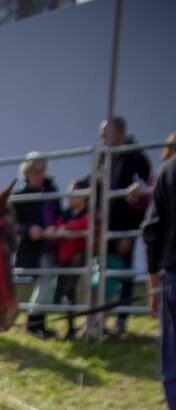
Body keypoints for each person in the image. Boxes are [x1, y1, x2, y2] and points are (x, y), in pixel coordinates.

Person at [98, 116, 152, 336]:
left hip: (125, 228)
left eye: (105, 134)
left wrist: (131, 233)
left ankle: (122, 318)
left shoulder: (137, 158)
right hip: (105, 227)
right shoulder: (105, 158)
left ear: (118, 133)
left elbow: (144, 194)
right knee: (102, 273)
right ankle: (100, 318)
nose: (102, 139)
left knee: (125, 274)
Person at [142, 150, 176, 410]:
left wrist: (154, 283)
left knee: (172, 364)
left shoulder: (167, 171)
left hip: (172, 277)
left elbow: (152, 230)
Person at [13, 153, 62, 339]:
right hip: (33, 250)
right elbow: (13, 225)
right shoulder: (19, 197)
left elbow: (59, 214)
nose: (40, 174)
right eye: (36, 171)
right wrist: (28, 229)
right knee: (44, 284)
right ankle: (33, 324)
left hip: (52, 246)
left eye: (43, 170)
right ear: (27, 172)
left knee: (47, 286)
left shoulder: (51, 192)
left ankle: (39, 324)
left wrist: (56, 227)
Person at [49, 177, 92, 340]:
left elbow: (83, 225)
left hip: (79, 261)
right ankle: (71, 328)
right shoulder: (66, 214)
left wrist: (64, 229)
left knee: (72, 293)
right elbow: (56, 233)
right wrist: (60, 231)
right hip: (63, 260)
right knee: (67, 295)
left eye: (74, 192)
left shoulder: (88, 213)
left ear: (84, 196)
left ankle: (78, 328)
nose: (70, 195)